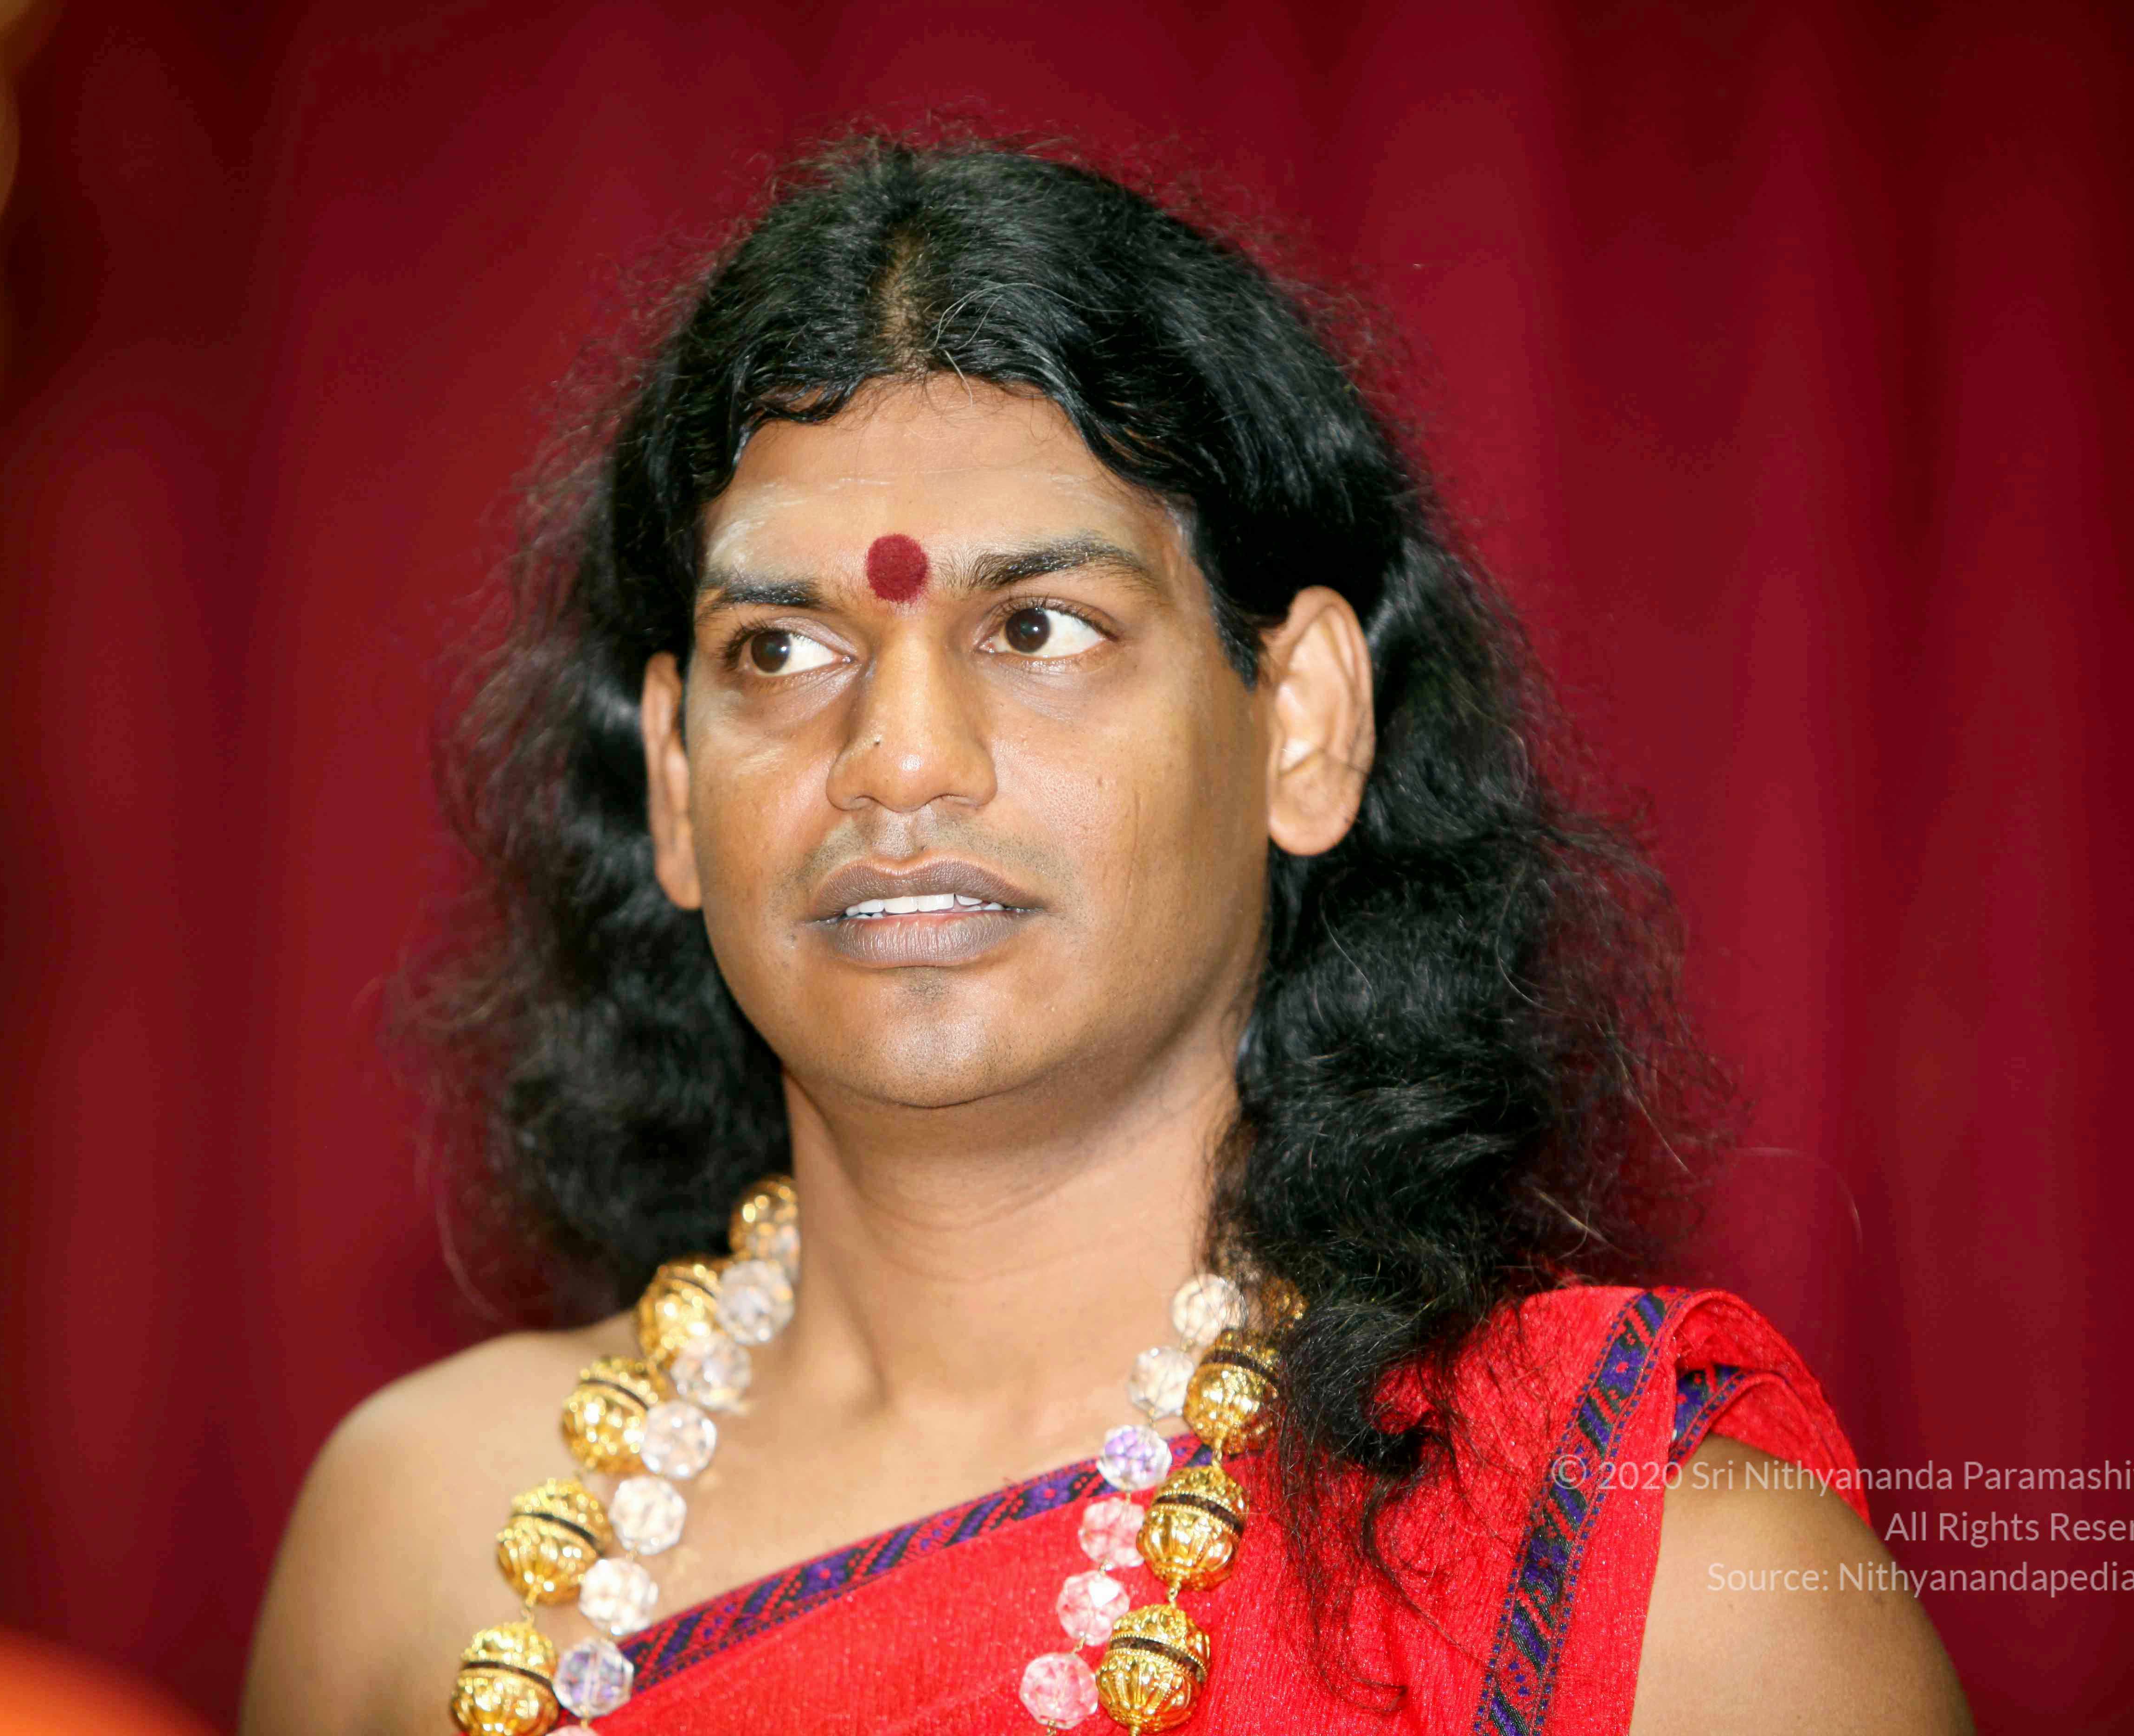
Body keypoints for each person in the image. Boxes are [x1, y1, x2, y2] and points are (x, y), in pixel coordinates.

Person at [239, 137, 1971, 1735]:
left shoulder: (1657, 1593)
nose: (896, 761)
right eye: (782, 651)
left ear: (1303, 724)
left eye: (1040, 628)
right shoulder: (424, 1543)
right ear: (678, 789)